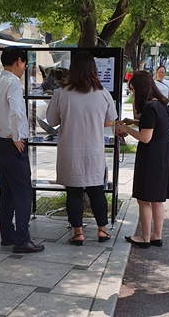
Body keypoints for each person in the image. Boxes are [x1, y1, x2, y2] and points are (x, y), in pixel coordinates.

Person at [46, 50, 117, 245]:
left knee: (74, 192)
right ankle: (102, 231)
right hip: (94, 149)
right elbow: (111, 120)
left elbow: (51, 121)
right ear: (94, 70)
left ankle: (78, 233)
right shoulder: (103, 93)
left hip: (70, 149)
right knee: (97, 191)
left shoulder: (62, 93)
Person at [0, 47, 44, 253]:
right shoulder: (12, 82)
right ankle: (22, 238)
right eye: (25, 64)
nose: (24, 68)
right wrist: (17, 135)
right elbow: (16, 110)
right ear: (19, 61)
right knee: (23, 191)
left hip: (0, 141)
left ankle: (7, 234)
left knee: (7, 190)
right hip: (12, 142)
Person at [116, 72, 169, 248]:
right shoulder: (161, 104)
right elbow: (152, 125)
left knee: (144, 199)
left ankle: (144, 237)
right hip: (162, 157)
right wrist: (133, 121)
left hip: (150, 159)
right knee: (157, 199)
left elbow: (145, 137)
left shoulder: (148, 108)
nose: (133, 94)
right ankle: (157, 236)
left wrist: (126, 128)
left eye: (133, 90)